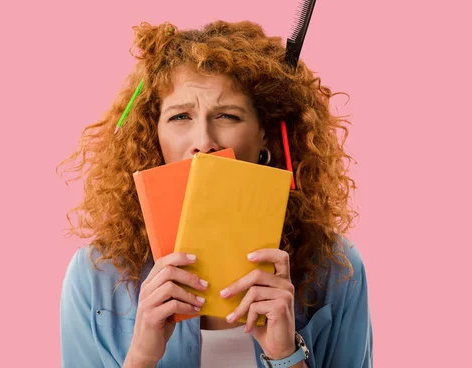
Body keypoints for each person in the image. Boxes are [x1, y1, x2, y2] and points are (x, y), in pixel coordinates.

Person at [57, 20, 372, 368]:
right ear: (152, 136)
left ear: (264, 135)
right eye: (180, 117)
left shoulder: (335, 269)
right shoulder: (94, 275)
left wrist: (286, 356)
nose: (203, 142)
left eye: (227, 115)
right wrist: (143, 355)